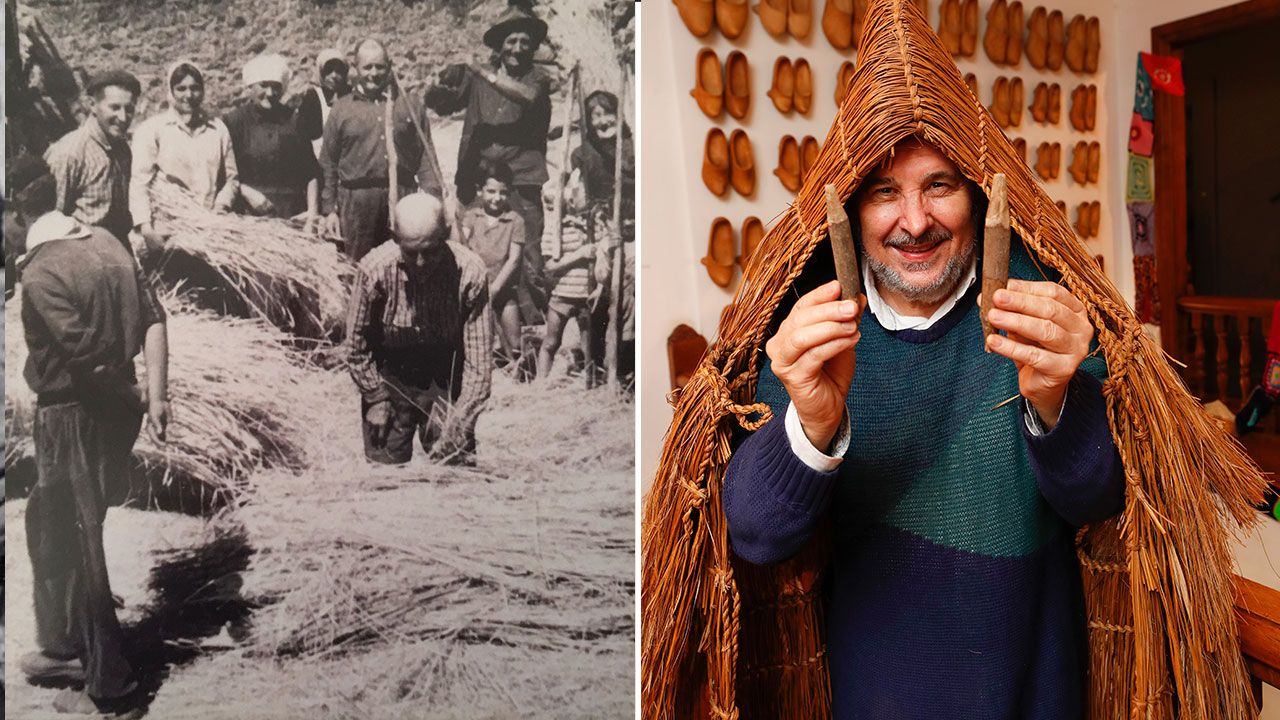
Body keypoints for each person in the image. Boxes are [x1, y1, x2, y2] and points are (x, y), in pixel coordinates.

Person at [720, 136, 1124, 717]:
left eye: (939, 185)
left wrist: (1055, 398)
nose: (915, 222)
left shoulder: (1043, 310)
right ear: (853, 209)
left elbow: (1098, 499)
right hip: (879, 692)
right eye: (886, 192)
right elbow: (758, 536)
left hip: (1034, 690)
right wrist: (812, 419)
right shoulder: (807, 332)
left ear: (978, 196)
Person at [8, 155, 168, 718]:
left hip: (72, 414)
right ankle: (64, 646)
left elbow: (88, 358)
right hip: (110, 413)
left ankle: (111, 683)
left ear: (14, 210)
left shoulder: (42, 273)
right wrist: (156, 394)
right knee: (49, 524)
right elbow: (154, 319)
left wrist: (135, 396)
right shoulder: (105, 241)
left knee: (81, 542)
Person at [425, 5, 553, 321]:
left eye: (525, 42)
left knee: (527, 258)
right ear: (499, 45)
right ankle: (474, 325)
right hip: (478, 181)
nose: (518, 48)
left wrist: (481, 71)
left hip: (522, 181)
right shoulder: (474, 80)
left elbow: (527, 97)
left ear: (534, 47)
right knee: (470, 251)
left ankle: (530, 334)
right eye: (511, 41)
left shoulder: (538, 79)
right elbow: (440, 105)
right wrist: (436, 84)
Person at [346, 193, 492, 466]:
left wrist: (461, 418)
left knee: (453, 467)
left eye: (431, 250)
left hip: (444, 374)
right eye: (411, 252)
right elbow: (356, 346)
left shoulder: (470, 272)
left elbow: (479, 362)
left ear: (446, 233)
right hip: (390, 373)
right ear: (395, 237)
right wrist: (375, 396)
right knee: (385, 473)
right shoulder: (373, 270)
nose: (421, 263)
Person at [320, 38, 443, 262]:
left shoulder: (410, 105)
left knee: (405, 264)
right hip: (356, 204)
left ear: (389, 66)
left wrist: (435, 201)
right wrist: (329, 210)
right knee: (358, 267)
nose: (373, 73)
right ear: (355, 68)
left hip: (404, 199)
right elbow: (328, 163)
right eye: (367, 67)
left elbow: (425, 156)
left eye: (379, 66)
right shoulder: (342, 108)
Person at [129, 60, 238, 252]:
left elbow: (232, 178)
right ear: (171, 91)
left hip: (211, 227)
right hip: (168, 230)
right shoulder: (153, 130)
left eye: (195, 88)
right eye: (181, 88)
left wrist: (221, 206)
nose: (189, 95)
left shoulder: (218, 129)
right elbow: (139, 183)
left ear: (203, 91)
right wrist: (147, 230)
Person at [571, 89, 634, 388]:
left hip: (634, 229)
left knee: (630, 295)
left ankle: (625, 364)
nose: (602, 120)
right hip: (604, 230)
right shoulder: (583, 153)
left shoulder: (632, 147)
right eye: (594, 116)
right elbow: (577, 198)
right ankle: (599, 365)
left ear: (618, 114)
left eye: (607, 112)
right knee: (601, 293)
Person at [43, 69, 141, 244]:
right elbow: (50, 220)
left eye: (130, 109)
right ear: (92, 105)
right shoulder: (70, 153)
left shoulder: (123, 149)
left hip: (116, 252)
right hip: (79, 254)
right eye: (115, 107)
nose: (123, 117)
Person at [223, 53, 320, 228]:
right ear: (250, 87)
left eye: (276, 87)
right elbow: (225, 173)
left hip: (291, 214)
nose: (270, 93)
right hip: (249, 214)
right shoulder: (234, 122)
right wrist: (245, 191)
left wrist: (312, 212)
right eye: (263, 86)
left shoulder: (294, 120)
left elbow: (311, 172)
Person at [537, 170, 601, 380]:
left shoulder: (591, 226)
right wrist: (579, 254)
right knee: (551, 342)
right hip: (562, 294)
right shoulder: (553, 231)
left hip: (586, 294)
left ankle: (590, 383)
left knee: (588, 343)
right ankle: (540, 383)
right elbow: (549, 267)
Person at [459, 159, 525, 363]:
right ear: (480, 191)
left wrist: (495, 289)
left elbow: (514, 260)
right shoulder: (472, 216)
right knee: (478, 339)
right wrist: (454, 218)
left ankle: (515, 366)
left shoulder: (515, 220)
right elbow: (459, 246)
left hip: (502, 289)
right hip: (475, 290)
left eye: (503, 193)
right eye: (491, 191)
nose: (497, 198)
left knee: (515, 346)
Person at [294, 48, 350, 159]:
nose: (334, 76)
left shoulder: (350, 95)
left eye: (339, 71)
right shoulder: (312, 98)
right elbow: (305, 138)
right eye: (329, 71)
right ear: (320, 72)